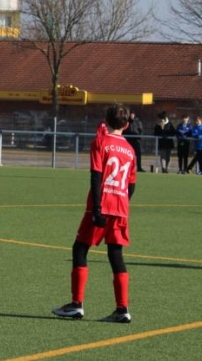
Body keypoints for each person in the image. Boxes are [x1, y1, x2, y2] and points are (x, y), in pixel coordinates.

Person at [53, 104, 138, 323]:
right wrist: (121, 203)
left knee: (80, 248)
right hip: (120, 208)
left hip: (101, 204)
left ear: (106, 121)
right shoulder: (130, 150)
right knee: (116, 255)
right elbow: (131, 186)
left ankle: (76, 305)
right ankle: (122, 309)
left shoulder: (100, 142)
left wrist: (98, 207)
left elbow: (96, 176)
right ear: (126, 125)